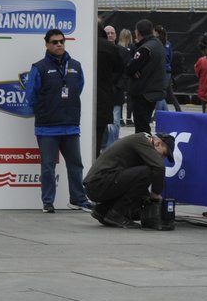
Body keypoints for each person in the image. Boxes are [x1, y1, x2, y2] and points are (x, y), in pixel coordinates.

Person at [25, 27, 89, 213]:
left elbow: (79, 87)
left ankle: (78, 199)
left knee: (76, 165)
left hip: (70, 126)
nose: (59, 44)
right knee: (47, 168)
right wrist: (47, 108)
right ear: (46, 44)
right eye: (54, 42)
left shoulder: (75, 66)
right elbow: (30, 96)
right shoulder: (39, 68)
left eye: (62, 41)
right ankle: (47, 203)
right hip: (47, 128)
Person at [83, 131, 172, 229]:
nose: (162, 158)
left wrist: (148, 202)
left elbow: (136, 183)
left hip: (97, 184)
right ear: (158, 143)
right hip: (98, 183)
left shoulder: (142, 142)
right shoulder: (143, 141)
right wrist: (155, 193)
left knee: (145, 174)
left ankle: (102, 211)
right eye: (164, 154)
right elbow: (159, 167)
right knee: (150, 171)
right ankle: (116, 214)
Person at [124, 18, 167, 134]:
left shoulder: (145, 48)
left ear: (137, 32)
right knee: (144, 127)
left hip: (143, 93)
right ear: (152, 31)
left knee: (141, 130)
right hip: (153, 92)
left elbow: (129, 68)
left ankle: (143, 151)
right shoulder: (158, 45)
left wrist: (134, 70)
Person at [94, 20, 123, 156]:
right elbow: (119, 68)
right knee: (99, 134)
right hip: (103, 96)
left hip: (85, 97)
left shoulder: (83, 44)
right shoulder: (110, 48)